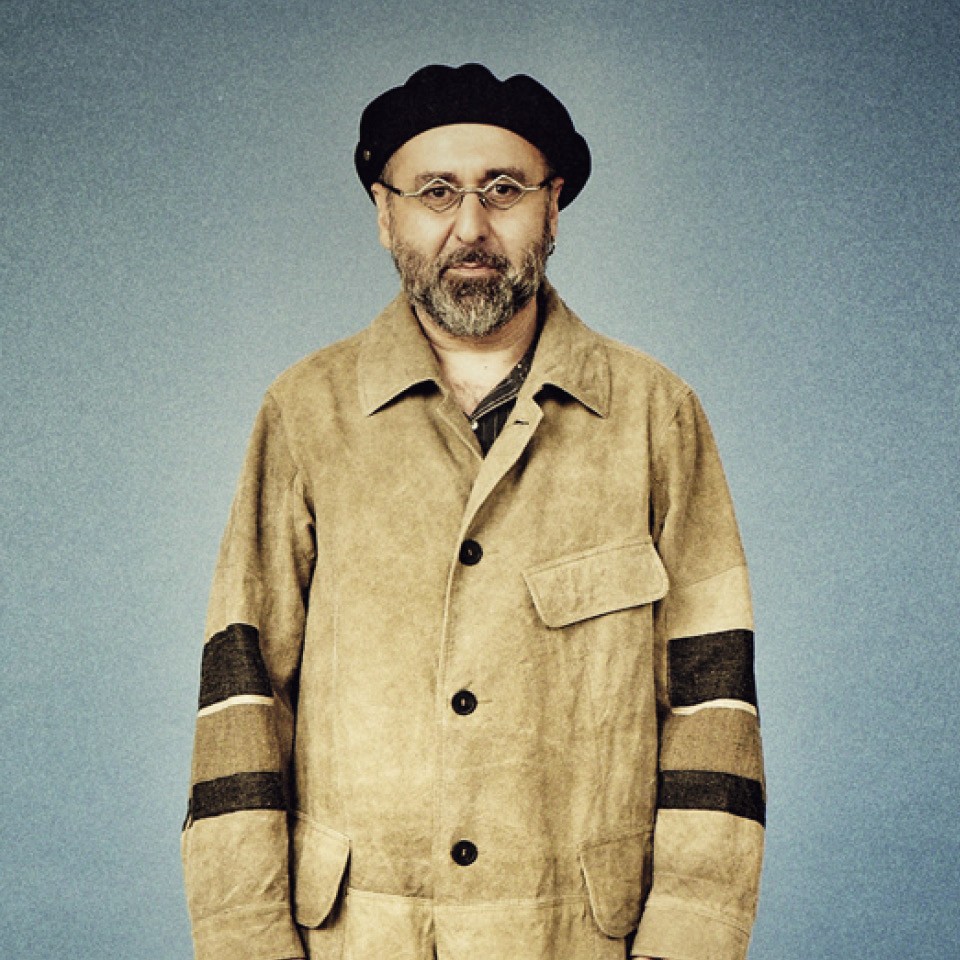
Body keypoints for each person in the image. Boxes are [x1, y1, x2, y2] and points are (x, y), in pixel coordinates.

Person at [181, 63, 765, 960]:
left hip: (579, 939)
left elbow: (713, 708)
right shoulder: (304, 415)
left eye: (503, 189)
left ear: (552, 208)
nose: (471, 225)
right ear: (385, 215)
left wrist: (688, 943)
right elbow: (243, 693)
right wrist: (245, 945)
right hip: (360, 938)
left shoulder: (656, 417)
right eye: (435, 192)